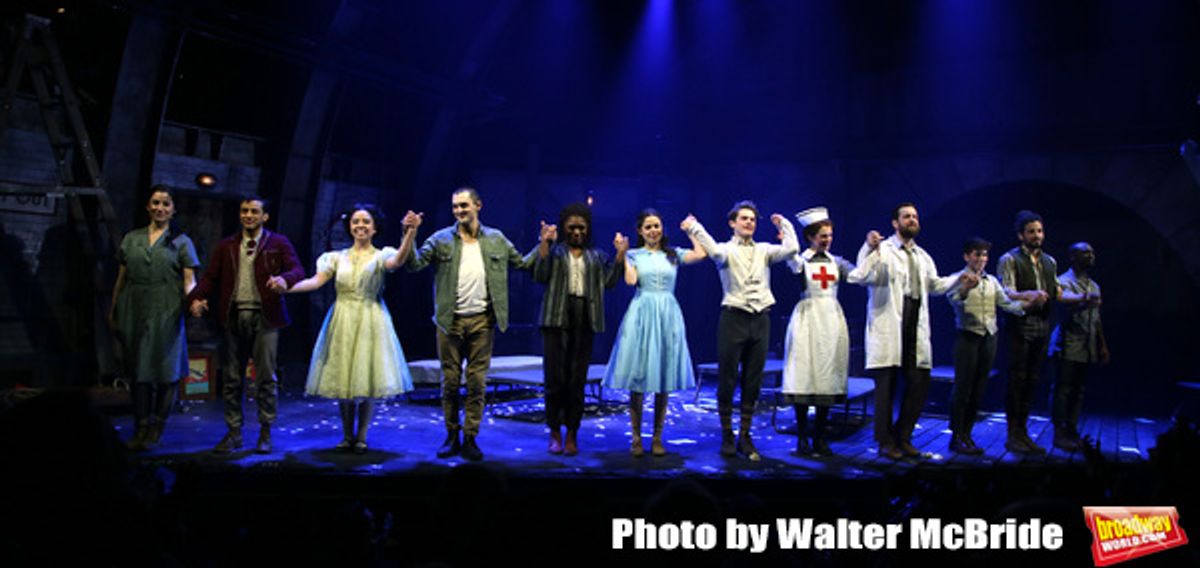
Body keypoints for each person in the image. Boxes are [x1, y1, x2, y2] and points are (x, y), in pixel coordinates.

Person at [406, 187, 537, 462]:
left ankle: (471, 437)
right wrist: (410, 233)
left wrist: (543, 244)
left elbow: (523, 264)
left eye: (464, 206)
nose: (459, 211)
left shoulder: (496, 239)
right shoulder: (441, 239)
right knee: (450, 384)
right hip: (449, 321)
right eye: (455, 207)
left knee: (477, 384)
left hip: (482, 320)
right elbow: (414, 265)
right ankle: (451, 435)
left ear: (478, 205)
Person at [285, 205, 422, 453]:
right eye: (356, 221)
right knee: (343, 379)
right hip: (343, 318)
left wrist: (410, 233)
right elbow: (315, 282)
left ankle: (361, 436)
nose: (360, 226)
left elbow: (397, 261)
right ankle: (347, 435)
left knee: (367, 379)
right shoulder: (335, 257)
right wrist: (286, 287)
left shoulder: (381, 255)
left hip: (371, 317)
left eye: (366, 222)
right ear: (350, 226)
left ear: (374, 227)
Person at [683, 201, 799, 461]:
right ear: (732, 223)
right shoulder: (725, 250)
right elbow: (712, 251)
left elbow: (792, 249)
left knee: (753, 379)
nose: (749, 222)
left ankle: (745, 435)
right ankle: (727, 433)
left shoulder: (764, 250)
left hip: (760, 318)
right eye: (744, 219)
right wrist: (695, 227)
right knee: (727, 378)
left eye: (753, 220)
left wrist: (784, 224)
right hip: (733, 318)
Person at [187, 197, 304, 454]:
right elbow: (209, 278)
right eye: (244, 211)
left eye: (254, 211)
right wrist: (195, 298)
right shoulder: (227, 245)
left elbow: (297, 269)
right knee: (231, 378)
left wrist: (285, 279)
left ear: (265, 217)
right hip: (234, 316)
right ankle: (234, 432)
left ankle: (265, 431)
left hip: (266, 316)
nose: (248, 215)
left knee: (265, 377)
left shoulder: (278, 243)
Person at [855, 203, 963, 460]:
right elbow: (861, 275)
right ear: (895, 223)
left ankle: (904, 437)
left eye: (915, 216)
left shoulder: (923, 256)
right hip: (891, 320)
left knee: (919, 382)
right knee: (887, 385)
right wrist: (869, 246)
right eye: (907, 216)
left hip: (915, 320)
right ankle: (885, 440)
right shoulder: (883, 249)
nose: (912, 220)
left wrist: (960, 277)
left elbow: (935, 285)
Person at [603, 209, 706, 457]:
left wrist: (691, 229)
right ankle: (636, 438)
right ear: (640, 231)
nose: (653, 231)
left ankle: (658, 437)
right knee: (638, 378)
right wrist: (622, 252)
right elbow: (629, 280)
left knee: (663, 378)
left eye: (656, 226)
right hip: (642, 312)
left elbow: (701, 253)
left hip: (667, 313)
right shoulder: (634, 254)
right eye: (648, 227)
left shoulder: (672, 255)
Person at [532, 203, 626, 456]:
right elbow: (539, 275)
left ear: (588, 230)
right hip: (556, 316)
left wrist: (619, 255)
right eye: (572, 227)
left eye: (581, 228)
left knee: (576, 379)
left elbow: (609, 282)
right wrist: (544, 243)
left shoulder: (595, 255)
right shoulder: (556, 251)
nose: (577, 232)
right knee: (555, 378)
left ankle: (572, 433)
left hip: (585, 317)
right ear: (563, 228)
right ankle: (554, 432)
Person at [110, 185, 199, 451]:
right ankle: (140, 426)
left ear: (173, 210)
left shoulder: (181, 241)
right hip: (134, 307)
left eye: (166, 204)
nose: (160, 208)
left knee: (166, 371)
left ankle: (157, 426)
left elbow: (189, 281)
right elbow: (121, 278)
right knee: (139, 373)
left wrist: (194, 303)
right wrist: (113, 309)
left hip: (167, 310)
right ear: (148, 207)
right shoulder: (131, 238)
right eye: (156, 203)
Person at [781, 207, 871, 457]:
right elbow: (790, 259)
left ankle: (820, 437)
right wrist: (786, 229)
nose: (827, 239)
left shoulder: (837, 262)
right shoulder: (801, 261)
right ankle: (802, 438)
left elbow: (859, 275)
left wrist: (869, 249)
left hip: (831, 319)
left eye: (829, 235)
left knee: (826, 376)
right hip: (808, 318)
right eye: (822, 235)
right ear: (810, 237)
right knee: (804, 373)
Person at [945, 237, 1028, 455]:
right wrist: (964, 288)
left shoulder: (991, 281)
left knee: (978, 388)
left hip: (989, 337)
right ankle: (956, 436)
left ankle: (967, 434)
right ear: (967, 256)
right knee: (963, 387)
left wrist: (1029, 302)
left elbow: (1007, 304)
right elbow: (954, 299)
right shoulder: (957, 278)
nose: (981, 259)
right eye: (977, 254)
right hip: (967, 336)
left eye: (984, 255)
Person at [997, 210, 1061, 454]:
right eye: (1031, 231)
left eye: (1040, 231)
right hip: (1019, 324)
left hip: (1042, 326)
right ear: (1021, 235)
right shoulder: (1010, 259)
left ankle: (1023, 432)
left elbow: (1054, 290)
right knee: (1017, 379)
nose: (1037, 236)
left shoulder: (1049, 261)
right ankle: (1013, 434)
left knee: (1033, 380)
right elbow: (1006, 291)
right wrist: (1029, 294)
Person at [1048, 242, 1109, 451]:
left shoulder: (1093, 285)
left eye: (1092, 252)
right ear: (1073, 257)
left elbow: (1097, 319)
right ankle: (1059, 432)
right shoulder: (1063, 282)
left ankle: (1072, 429)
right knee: (1062, 389)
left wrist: (1102, 345)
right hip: (1067, 343)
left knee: (1079, 390)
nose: (1091, 256)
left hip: (1087, 344)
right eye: (1085, 252)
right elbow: (1061, 310)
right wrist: (1084, 303)